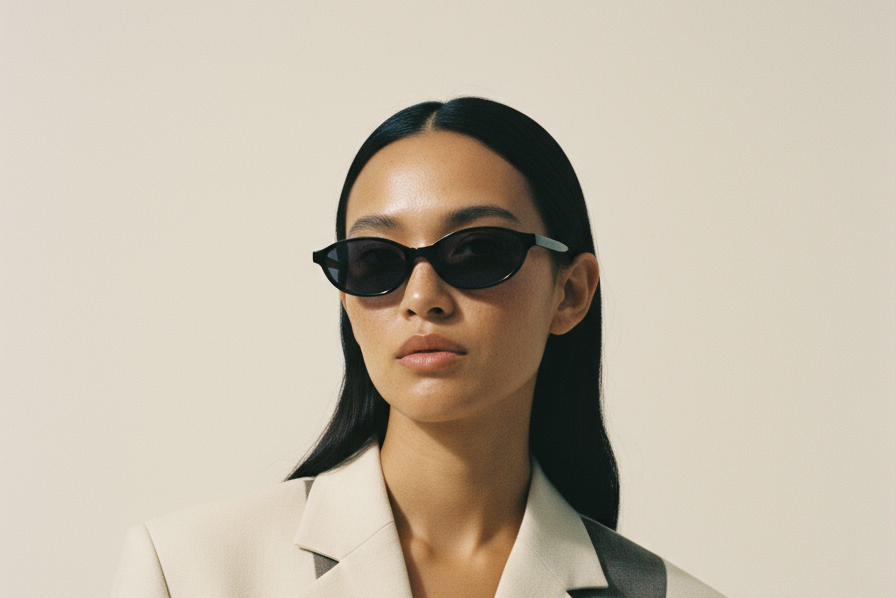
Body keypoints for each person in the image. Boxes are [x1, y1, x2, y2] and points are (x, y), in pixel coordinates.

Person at [111, 97, 725, 598]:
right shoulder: (189, 572)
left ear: (570, 292)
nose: (422, 296)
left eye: (478, 250)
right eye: (376, 260)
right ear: (346, 300)